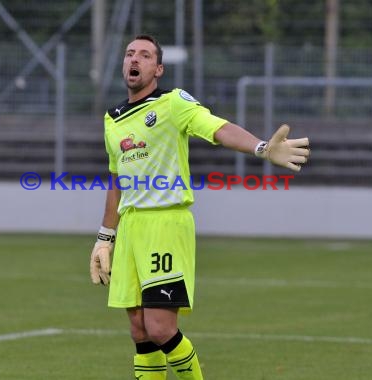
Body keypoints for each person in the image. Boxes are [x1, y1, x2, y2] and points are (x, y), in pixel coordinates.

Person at [89, 34, 309, 380]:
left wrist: (262, 148)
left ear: (157, 69)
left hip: (166, 224)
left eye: (145, 55)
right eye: (130, 54)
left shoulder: (173, 103)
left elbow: (217, 128)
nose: (135, 59)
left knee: (160, 328)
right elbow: (117, 180)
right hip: (130, 228)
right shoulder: (112, 119)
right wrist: (105, 237)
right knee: (139, 331)